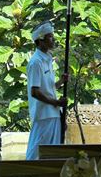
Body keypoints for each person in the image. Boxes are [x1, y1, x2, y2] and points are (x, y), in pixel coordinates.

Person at [25, 22, 69, 160]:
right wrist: (55, 102)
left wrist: (61, 82)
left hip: (53, 113)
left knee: (51, 151)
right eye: (50, 37)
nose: (53, 40)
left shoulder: (47, 60)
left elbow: (48, 89)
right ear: (40, 41)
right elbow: (35, 92)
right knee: (37, 150)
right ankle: (27, 176)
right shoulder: (36, 62)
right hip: (43, 114)